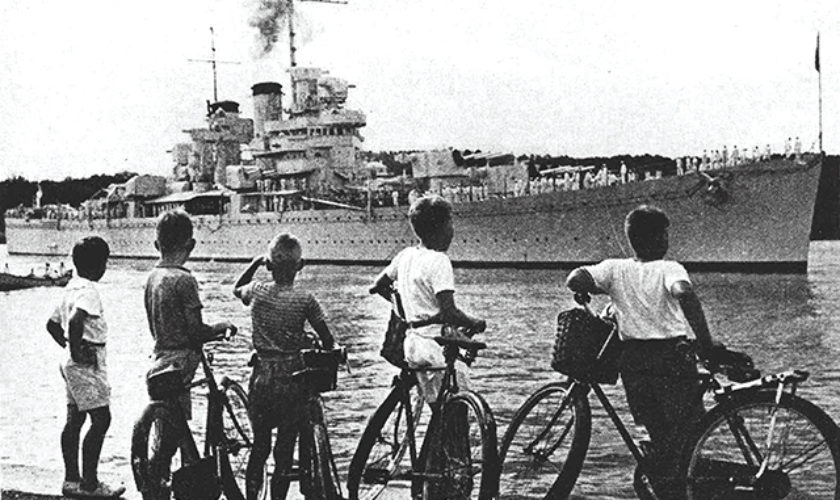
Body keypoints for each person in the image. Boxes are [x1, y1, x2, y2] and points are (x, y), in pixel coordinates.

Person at [565, 205, 718, 497]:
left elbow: (575, 279)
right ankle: (692, 486)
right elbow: (683, 292)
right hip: (672, 358)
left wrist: (590, 291)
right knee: (690, 431)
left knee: (656, 431)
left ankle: (670, 489)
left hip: (633, 361)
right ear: (659, 238)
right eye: (664, 235)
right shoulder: (669, 267)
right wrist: (706, 342)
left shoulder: (614, 268)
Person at [234, 233, 338, 500]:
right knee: (284, 451)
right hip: (291, 382)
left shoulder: (257, 290)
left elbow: (237, 288)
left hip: (260, 378)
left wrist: (256, 263)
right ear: (300, 266)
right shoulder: (306, 300)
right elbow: (328, 340)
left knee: (260, 446)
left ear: (269, 266)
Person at [144, 210, 236, 496]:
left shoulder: (153, 276)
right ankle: (164, 480)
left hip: (159, 354)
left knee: (167, 426)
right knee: (176, 427)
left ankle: (157, 479)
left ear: (157, 245)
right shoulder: (184, 280)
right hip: (183, 359)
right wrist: (221, 327)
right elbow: (196, 331)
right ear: (192, 245)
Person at [370, 195, 486, 405]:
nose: (453, 230)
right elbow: (450, 312)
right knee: (460, 408)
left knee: (438, 409)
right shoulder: (439, 260)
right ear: (440, 227)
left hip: (412, 344)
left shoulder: (405, 255)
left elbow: (377, 286)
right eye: (450, 223)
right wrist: (474, 322)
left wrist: (404, 307)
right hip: (434, 347)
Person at [46, 236, 125, 498]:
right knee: (102, 419)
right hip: (87, 362)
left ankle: (71, 479)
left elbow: (52, 325)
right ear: (98, 265)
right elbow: (75, 319)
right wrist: (79, 352)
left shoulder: (70, 287)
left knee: (74, 420)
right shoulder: (89, 290)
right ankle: (90, 484)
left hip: (69, 364)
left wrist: (68, 348)